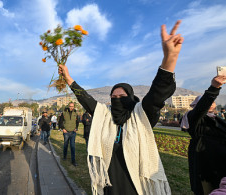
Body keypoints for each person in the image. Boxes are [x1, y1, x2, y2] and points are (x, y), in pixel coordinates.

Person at [59, 20, 184, 194]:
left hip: (136, 182)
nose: (117, 100)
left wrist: (170, 58)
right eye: (113, 97)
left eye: (122, 97)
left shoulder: (141, 114)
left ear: (132, 98)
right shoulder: (105, 114)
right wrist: (69, 79)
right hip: (110, 181)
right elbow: (86, 100)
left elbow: (158, 93)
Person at [180, 76, 226, 195]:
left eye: (213, 101)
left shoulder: (217, 118)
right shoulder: (194, 118)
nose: (211, 103)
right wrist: (214, 88)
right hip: (206, 164)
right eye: (208, 101)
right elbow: (201, 109)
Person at [59, 102, 79, 166]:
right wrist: (63, 128)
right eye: (70, 106)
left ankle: (73, 161)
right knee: (65, 145)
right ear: (68, 106)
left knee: (72, 146)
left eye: (72, 106)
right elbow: (60, 121)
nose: (71, 107)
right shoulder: (64, 113)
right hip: (66, 132)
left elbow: (77, 121)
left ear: (74, 107)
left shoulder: (75, 113)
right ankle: (64, 157)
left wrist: (76, 128)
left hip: (73, 132)